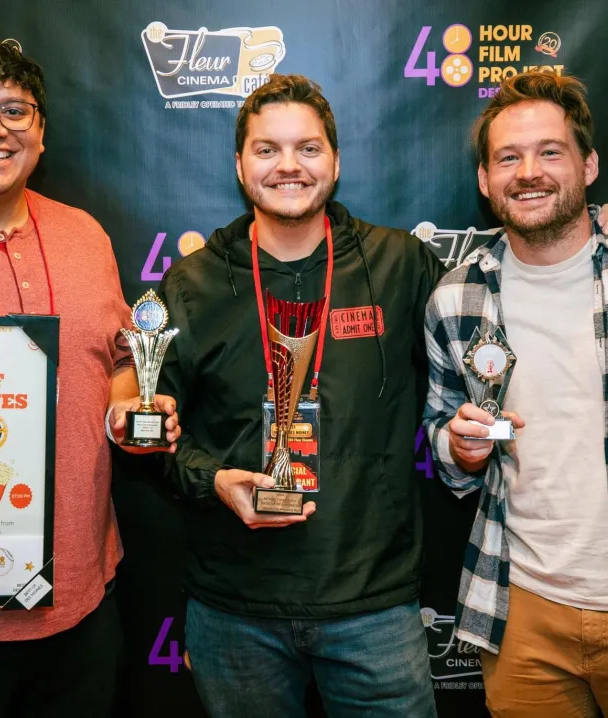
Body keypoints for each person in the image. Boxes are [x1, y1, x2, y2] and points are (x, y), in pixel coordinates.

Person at [155, 73, 442, 717]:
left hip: (374, 607)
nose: (289, 166)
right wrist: (213, 481)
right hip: (235, 612)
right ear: (239, 164)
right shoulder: (191, 285)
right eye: (267, 149)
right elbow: (150, 433)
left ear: (336, 161)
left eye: (308, 148)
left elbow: (481, 345)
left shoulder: (402, 266)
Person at [0, 38, 179, 718]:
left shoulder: (84, 235)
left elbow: (121, 359)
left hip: (82, 614)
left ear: (40, 132)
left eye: (14, 110)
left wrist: (130, 406)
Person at [423, 71, 608, 716]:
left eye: (550, 151)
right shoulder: (456, 298)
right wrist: (460, 446)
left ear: (588, 164)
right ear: (484, 180)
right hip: (520, 608)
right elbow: (443, 444)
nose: (528, 172)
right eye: (508, 157)